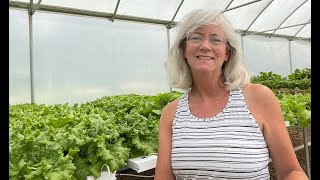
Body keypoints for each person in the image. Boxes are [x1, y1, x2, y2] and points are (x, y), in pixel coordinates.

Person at [154, 9, 308, 180]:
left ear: (227, 52)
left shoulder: (259, 98)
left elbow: (291, 172)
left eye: (216, 39)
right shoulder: (171, 113)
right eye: (196, 37)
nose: (205, 46)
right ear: (183, 49)